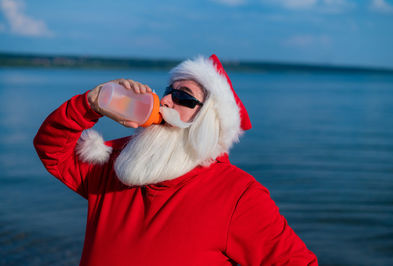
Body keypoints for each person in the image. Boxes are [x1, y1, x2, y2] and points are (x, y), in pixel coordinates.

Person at [34, 54, 318, 265]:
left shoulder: (237, 195)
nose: (167, 100)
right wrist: (90, 103)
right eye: (169, 90)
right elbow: (52, 151)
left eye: (184, 97)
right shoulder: (119, 160)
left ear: (209, 120)